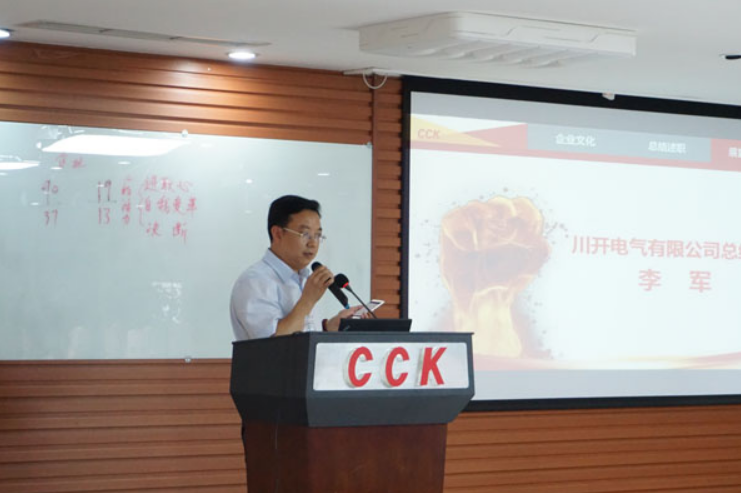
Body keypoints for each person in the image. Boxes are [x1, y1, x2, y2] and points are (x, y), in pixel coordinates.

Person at [230, 195, 361, 340]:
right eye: (305, 234)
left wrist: (328, 328)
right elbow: (271, 344)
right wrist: (308, 300)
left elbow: (302, 336)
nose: (313, 243)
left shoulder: (303, 278)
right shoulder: (254, 281)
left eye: (318, 235)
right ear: (278, 233)